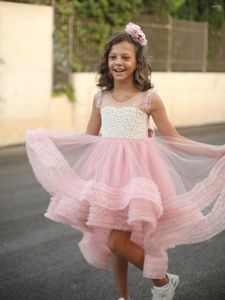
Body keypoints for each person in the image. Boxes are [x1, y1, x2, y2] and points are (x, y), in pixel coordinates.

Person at [26, 22, 225, 300]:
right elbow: (88, 137)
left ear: (137, 62)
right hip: (108, 177)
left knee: (117, 241)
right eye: (113, 57)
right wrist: (49, 140)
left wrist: (216, 151)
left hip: (138, 178)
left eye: (125, 57)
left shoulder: (149, 98)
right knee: (115, 241)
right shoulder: (101, 97)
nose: (118, 62)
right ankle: (123, 296)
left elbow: (174, 138)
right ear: (106, 61)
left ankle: (164, 281)